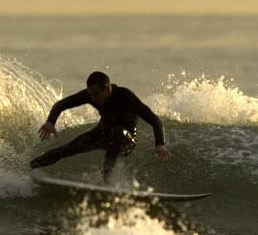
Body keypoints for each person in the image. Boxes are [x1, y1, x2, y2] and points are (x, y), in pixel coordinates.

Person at [29, 71, 171, 182]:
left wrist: (160, 144)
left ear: (107, 88)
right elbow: (61, 104)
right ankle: (28, 168)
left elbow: (154, 120)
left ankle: (106, 179)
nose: (93, 98)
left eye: (96, 94)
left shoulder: (125, 95)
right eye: (90, 94)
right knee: (65, 149)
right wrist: (50, 122)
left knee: (118, 132)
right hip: (103, 132)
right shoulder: (91, 95)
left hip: (126, 140)